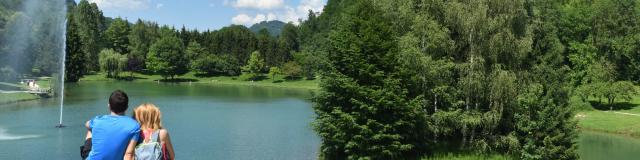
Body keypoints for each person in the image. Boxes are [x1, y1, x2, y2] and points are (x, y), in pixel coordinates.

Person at [82, 90, 141, 160]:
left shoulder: (97, 120)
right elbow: (129, 154)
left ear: (109, 106)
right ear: (127, 107)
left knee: (91, 129)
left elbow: (87, 124)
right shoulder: (134, 126)